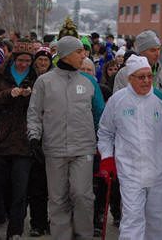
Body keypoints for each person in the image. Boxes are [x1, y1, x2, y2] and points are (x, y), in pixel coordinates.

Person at [98, 55, 162, 239]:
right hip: (131, 172)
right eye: (141, 77)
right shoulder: (117, 101)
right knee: (132, 222)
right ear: (130, 78)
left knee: (158, 223)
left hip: (161, 173)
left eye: (149, 76)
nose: (146, 81)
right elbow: (105, 132)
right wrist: (106, 158)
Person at [27, 36, 105, 239]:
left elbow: (100, 114)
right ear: (66, 54)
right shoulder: (45, 82)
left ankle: (83, 235)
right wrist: (34, 138)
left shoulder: (88, 82)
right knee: (58, 199)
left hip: (83, 148)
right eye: (79, 52)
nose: (83, 55)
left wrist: (103, 143)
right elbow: (34, 113)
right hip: (54, 148)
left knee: (82, 195)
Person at [0, 46, 37, 239]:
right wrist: (9, 94)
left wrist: (32, 97)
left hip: (23, 142)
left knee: (20, 191)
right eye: (20, 61)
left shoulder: (36, 77)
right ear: (13, 59)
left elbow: (43, 108)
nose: (23, 64)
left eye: (27, 61)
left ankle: (15, 231)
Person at [27, 46, 53, 237]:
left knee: (55, 187)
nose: (42, 63)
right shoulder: (29, 79)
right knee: (36, 185)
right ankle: (37, 222)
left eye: (46, 60)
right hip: (33, 136)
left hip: (53, 137)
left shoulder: (54, 81)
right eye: (40, 59)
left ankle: (53, 220)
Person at [113, 30, 162, 94]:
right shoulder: (125, 74)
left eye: (158, 49)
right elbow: (118, 101)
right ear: (141, 52)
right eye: (152, 50)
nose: (157, 54)